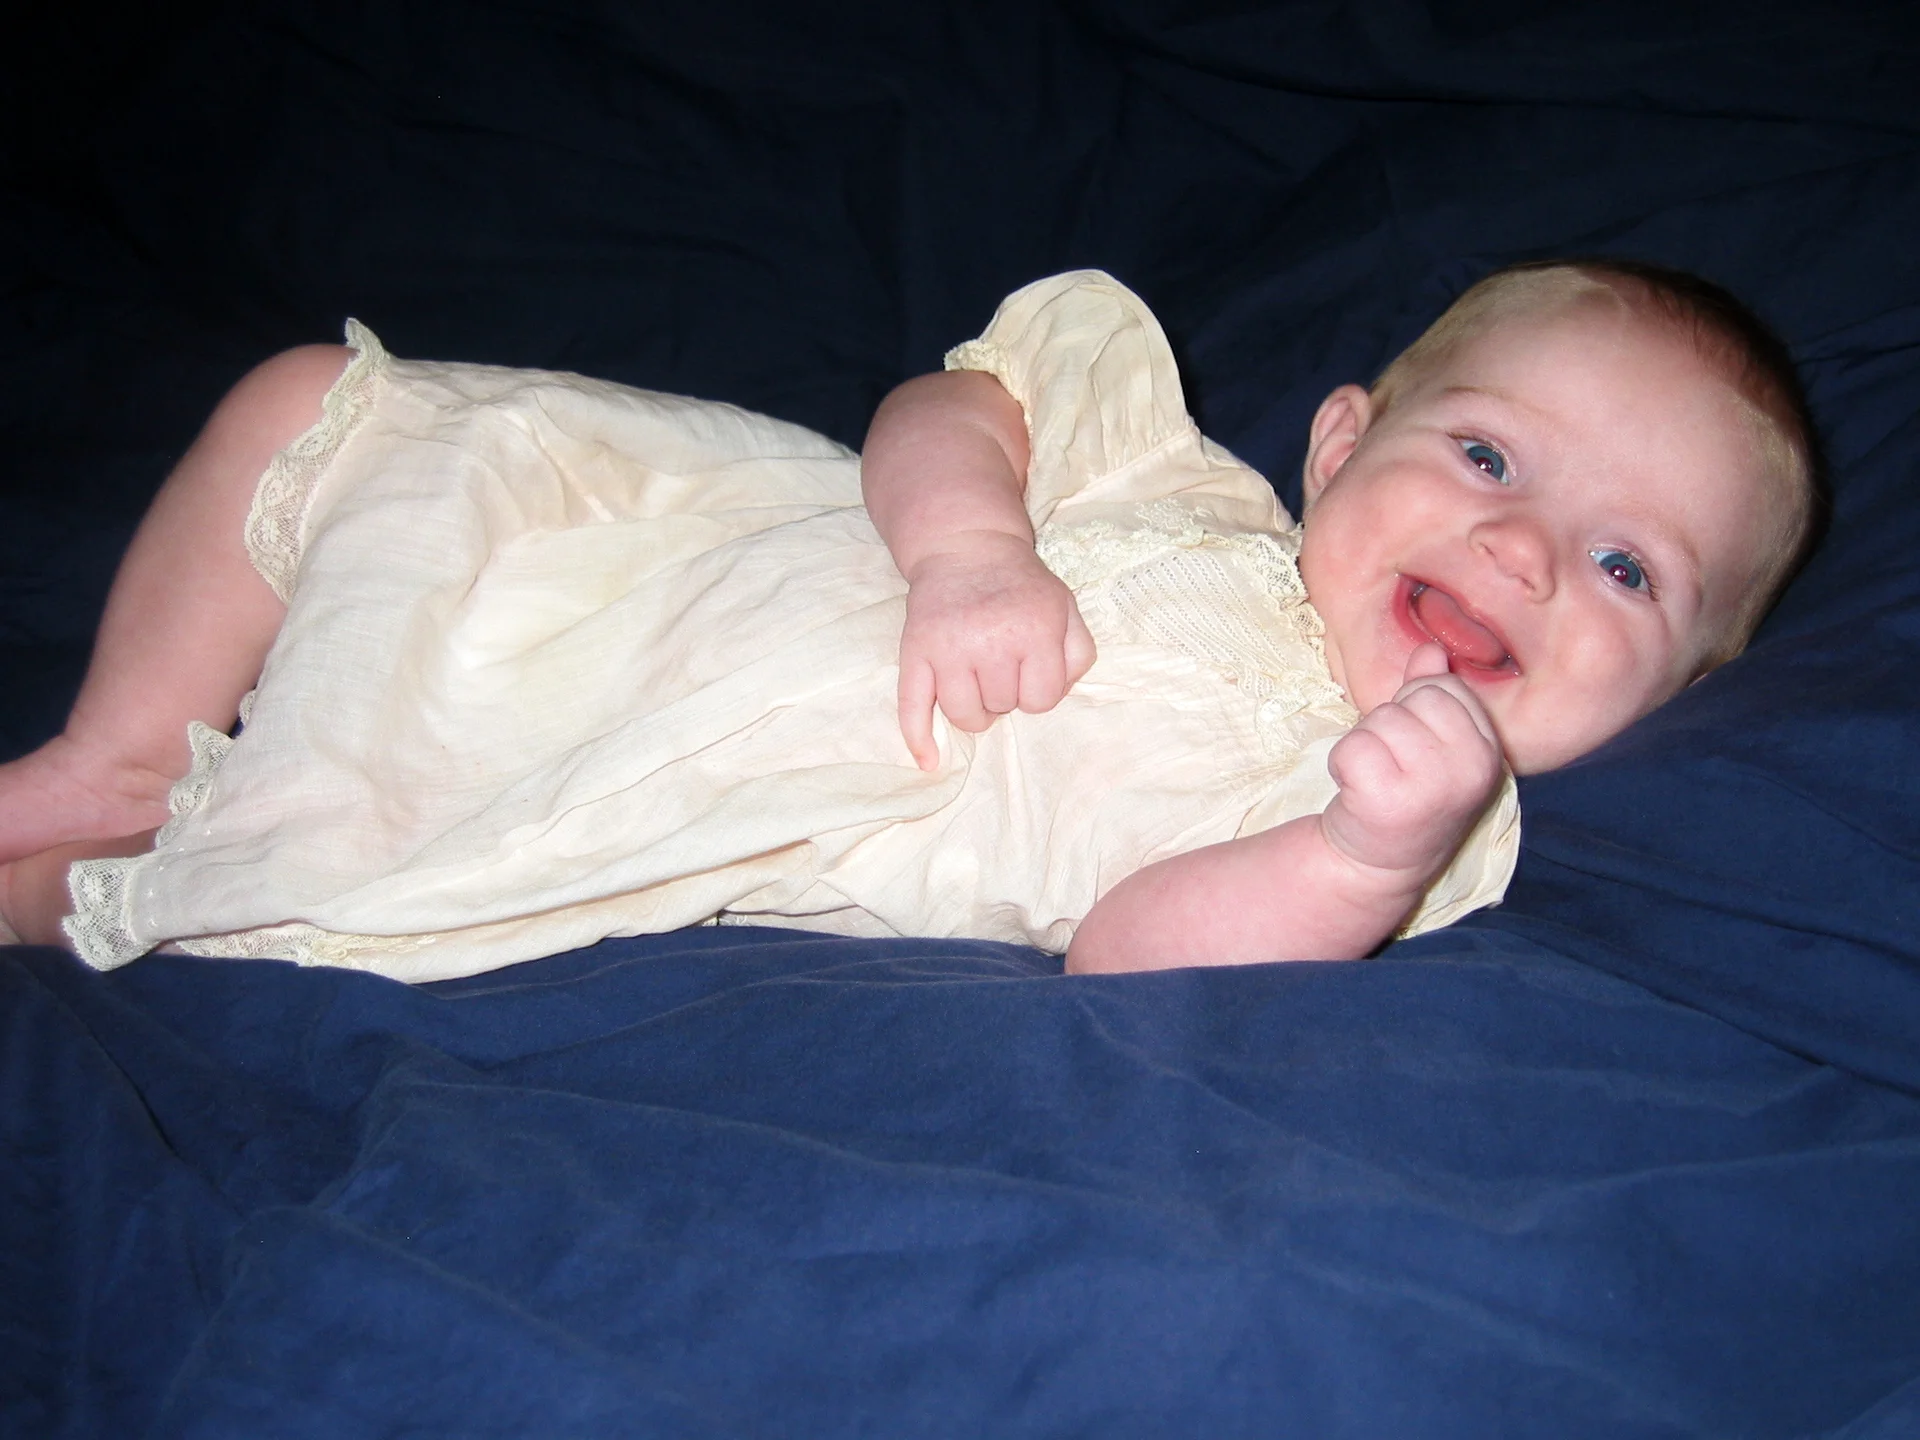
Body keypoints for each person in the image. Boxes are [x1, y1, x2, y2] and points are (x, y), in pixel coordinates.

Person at [0, 262, 1817, 979]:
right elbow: (959, 404)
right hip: (673, 558)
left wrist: (1357, 855)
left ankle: (88, 860)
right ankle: (116, 747)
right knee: (322, 411)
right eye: (1488, 456)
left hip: (663, 788)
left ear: (1690, 685)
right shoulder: (1182, 481)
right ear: (1341, 445)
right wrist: (966, 549)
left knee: (237, 895)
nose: (1523, 551)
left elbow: (1135, 959)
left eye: (1629, 570)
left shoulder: (1414, 821)